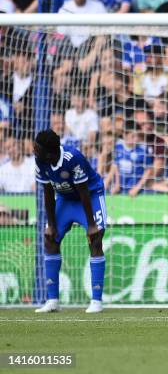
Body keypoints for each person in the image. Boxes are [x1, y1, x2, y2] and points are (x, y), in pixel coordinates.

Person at [33, 129, 107, 314]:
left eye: (37, 148)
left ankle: (96, 301)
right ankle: (53, 301)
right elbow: (48, 192)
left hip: (90, 196)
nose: (34, 150)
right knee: (50, 239)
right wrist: (51, 225)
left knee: (95, 239)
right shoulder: (40, 160)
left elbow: (83, 190)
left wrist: (91, 225)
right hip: (65, 199)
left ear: (49, 152)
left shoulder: (72, 157)